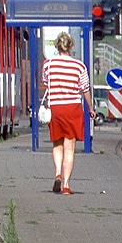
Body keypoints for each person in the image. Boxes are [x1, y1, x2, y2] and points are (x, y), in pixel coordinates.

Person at [41, 32, 95, 195]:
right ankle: (66, 185)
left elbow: (45, 82)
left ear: (57, 46)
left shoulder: (48, 64)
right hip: (73, 108)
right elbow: (84, 89)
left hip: (56, 108)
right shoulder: (79, 66)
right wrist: (91, 108)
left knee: (57, 144)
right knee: (69, 147)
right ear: (71, 46)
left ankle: (57, 173)